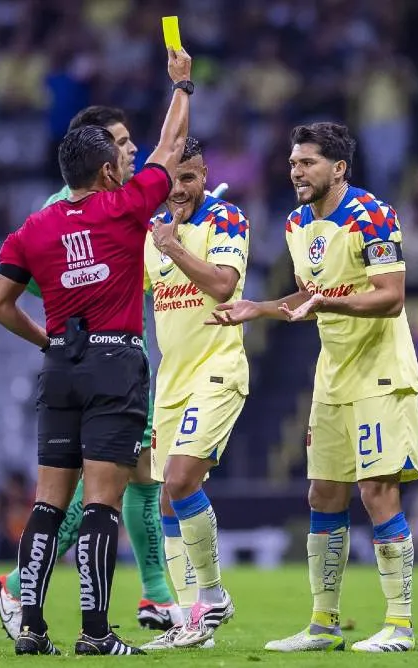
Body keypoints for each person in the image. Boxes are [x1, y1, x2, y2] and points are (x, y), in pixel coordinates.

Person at [0, 47, 193, 656]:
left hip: (60, 370)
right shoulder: (124, 208)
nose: (128, 164)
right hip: (114, 367)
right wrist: (182, 87)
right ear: (105, 171)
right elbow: (169, 149)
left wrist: (48, 339)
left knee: (48, 504)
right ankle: (96, 634)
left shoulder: (32, 228)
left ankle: (31, 629)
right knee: (102, 503)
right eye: (119, 158)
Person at [208, 122, 418, 653]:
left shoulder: (372, 214)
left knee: (377, 491)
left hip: (381, 372)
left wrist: (327, 301)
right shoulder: (296, 224)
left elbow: (391, 296)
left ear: (339, 168)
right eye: (292, 162)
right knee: (323, 494)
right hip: (331, 377)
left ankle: (399, 625)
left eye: (307, 163)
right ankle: (323, 625)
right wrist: (257, 308)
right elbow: (307, 299)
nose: (295, 172)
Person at [136, 137, 248, 650]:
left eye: (191, 176)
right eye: (173, 178)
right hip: (172, 381)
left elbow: (223, 286)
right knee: (167, 496)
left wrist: (173, 246)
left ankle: (213, 596)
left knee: (181, 479)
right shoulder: (152, 233)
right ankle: (191, 622)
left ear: (205, 175)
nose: (181, 188)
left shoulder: (227, 220)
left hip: (218, 371)